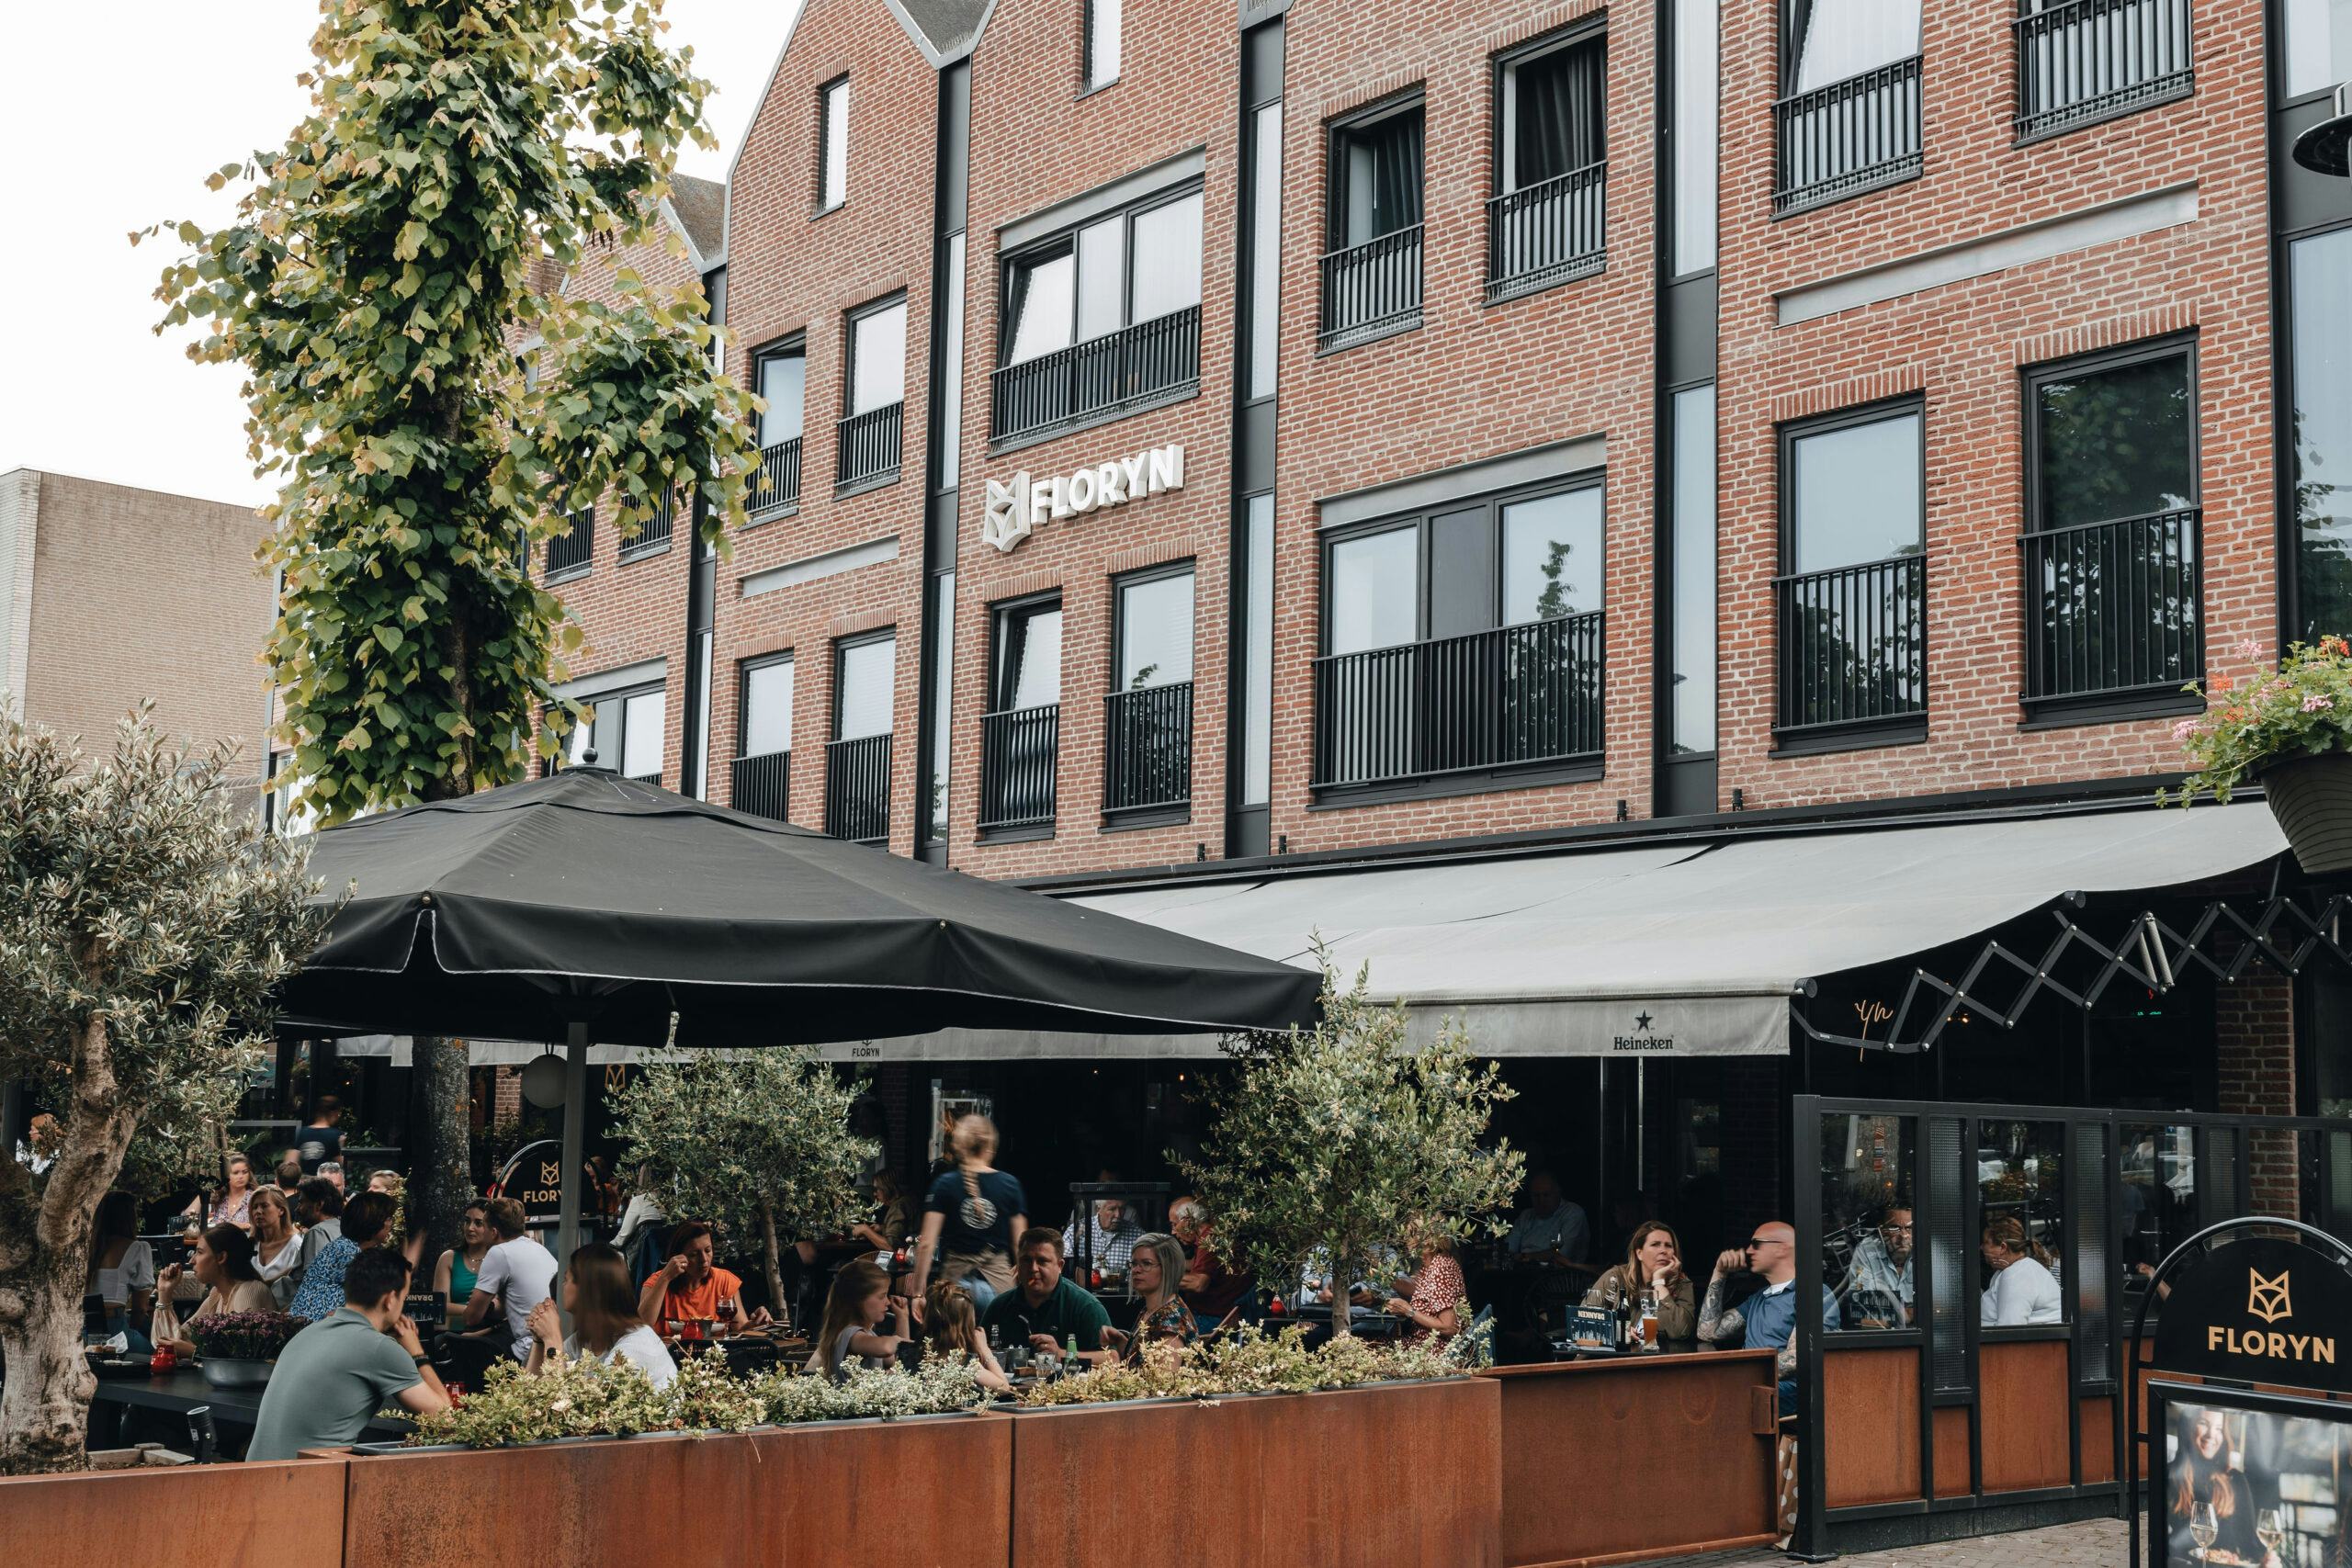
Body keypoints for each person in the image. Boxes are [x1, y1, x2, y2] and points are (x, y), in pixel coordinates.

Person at [247, 1246, 449, 1461]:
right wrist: (417, 1352)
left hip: (256, 1476)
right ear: (390, 1299)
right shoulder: (379, 1347)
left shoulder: (308, 1332)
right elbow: (445, 1419)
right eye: (404, 1297)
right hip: (306, 1483)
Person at [1699, 1221, 1837, 1415]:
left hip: (1789, 1391)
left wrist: (1739, 1374)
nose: (1749, 1250)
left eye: (1756, 1244)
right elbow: (1707, 1332)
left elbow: (1798, 1358)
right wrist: (1719, 1273)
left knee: (1723, 1395)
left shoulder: (1812, 1293)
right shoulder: (1759, 1298)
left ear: (1781, 1248)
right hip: (1752, 1385)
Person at [910, 1114, 1027, 1314]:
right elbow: (1021, 1244)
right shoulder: (1010, 1185)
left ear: (959, 1145)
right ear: (990, 1146)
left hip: (955, 1287)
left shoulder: (944, 1184)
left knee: (953, 1344)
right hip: (998, 1285)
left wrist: (918, 1294)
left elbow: (927, 1244)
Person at [524, 1243, 679, 1390]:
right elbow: (534, 1397)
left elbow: (570, 1410)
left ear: (587, 1290)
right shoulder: (584, 1342)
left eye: (566, 1279)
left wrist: (552, 1340)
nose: (562, 1286)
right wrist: (540, 1340)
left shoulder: (636, 1345)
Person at [980, 1228, 1115, 1364]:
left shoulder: (1085, 1306)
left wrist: (1062, 1354)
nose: (1033, 1268)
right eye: (1026, 1260)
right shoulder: (999, 1307)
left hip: (1066, 1384)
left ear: (1060, 1266)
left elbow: (1113, 1359)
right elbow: (977, 1354)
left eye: (1042, 1261)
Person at [2167, 1406, 2271, 1566]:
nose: (2211, 1435)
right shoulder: (2170, 1476)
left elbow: (2250, 1543)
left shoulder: (2235, 1479)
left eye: (2218, 1428)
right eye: (2203, 1423)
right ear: (2187, 1428)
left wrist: (2267, 1559)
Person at [152, 1224, 276, 1355]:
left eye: (199, 1252)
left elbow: (243, 1355)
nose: (192, 1260)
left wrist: (194, 1352)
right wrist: (165, 1293)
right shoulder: (217, 1295)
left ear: (221, 1257)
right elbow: (170, 1343)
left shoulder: (249, 1289)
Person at [465, 1196, 558, 1360]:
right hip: (555, 1342)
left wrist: (483, 1305)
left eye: (483, 1226)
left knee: (451, 1344)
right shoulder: (538, 1247)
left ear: (494, 1233)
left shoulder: (498, 1253)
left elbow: (471, 1317)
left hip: (528, 1349)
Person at [638, 1220, 772, 1330]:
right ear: (678, 1256)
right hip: (669, 1355)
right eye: (694, 1254)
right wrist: (665, 1278)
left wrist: (756, 1323)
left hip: (714, 1358)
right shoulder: (658, 1281)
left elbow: (741, 1327)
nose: (704, 1260)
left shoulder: (724, 1280)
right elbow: (641, 1326)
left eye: (708, 1250)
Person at [291, 1189, 395, 1323]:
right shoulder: (346, 1252)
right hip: (317, 1330)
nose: (391, 1223)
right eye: (388, 1218)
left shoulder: (347, 1246)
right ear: (374, 1222)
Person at [1582, 1221, 1697, 1340]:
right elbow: (1583, 1321)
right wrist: (1616, 1331)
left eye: (1668, 1245)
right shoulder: (1615, 1278)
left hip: (1658, 1356)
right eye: (1655, 1244)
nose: (1663, 1250)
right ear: (1639, 1253)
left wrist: (1658, 1283)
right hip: (1614, 1355)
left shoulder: (1681, 1284)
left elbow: (1681, 1331)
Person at [1102, 1232, 1196, 1365]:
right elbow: (1139, 1361)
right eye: (1134, 1263)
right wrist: (1120, 1341)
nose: (1136, 1270)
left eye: (1146, 1264)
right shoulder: (1151, 1309)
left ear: (1168, 1268)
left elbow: (1165, 1382)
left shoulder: (1172, 1322)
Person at [814, 1258, 910, 1382]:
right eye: (882, 1296)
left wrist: (902, 1317)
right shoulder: (851, 1335)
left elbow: (897, 1359)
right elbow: (886, 1348)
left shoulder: (868, 1334)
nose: (887, 1302)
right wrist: (897, 1340)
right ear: (858, 1301)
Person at [87, 1192, 156, 1353]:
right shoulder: (137, 1248)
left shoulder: (86, 1249)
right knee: (159, 1355)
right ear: (130, 1218)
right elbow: (140, 1308)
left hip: (81, 1331)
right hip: (114, 1331)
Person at [1171, 1199, 1252, 1332]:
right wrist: (1162, 1264)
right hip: (1216, 1315)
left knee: (1161, 1329)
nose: (1173, 1232)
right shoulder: (1209, 1235)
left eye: (1174, 1225)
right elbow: (1195, 1265)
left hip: (1215, 1319)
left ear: (1188, 1220)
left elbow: (1198, 1284)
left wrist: (1161, 1277)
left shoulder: (1210, 1240)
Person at [1385, 1217, 1466, 1348]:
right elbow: (1415, 1289)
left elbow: (1449, 1327)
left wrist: (1409, 1311)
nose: (1405, 1239)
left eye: (1409, 1234)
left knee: (1368, 1345)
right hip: (1420, 1343)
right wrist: (1381, 1291)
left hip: (1433, 1349)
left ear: (1426, 1239)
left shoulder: (1441, 1268)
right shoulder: (1430, 1264)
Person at [921, 1280, 1012, 1393]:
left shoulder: (914, 1354)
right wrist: (985, 1349)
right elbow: (1004, 1387)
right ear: (966, 1327)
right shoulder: (963, 1364)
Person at [1839, 1208, 1916, 1329]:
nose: (1904, 1235)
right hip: (1880, 1335)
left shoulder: (1927, 1250)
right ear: (1882, 1231)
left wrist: (1886, 1313)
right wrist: (1908, 1314)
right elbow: (1862, 1309)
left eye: (1909, 1228)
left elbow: (1941, 1307)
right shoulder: (1868, 1250)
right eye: (1894, 1228)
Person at [1980, 1214, 2063, 1325]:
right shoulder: (2014, 1270)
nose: (1981, 1247)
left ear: (2003, 1248)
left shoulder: (2016, 1276)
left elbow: (2009, 1329)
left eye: (1985, 1242)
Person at [1505, 1171, 1592, 1264]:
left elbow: (1562, 1256)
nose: (1541, 1200)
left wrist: (1524, 1256)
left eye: (1546, 1195)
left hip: (1561, 1275)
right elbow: (1508, 1249)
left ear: (1558, 1192)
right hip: (1523, 1271)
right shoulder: (1526, 1216)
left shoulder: (1572, 1213)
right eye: (1536, 1196)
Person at [1061, 1188, 1143, 1286]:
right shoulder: (1076, 1231)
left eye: (1122, 1209)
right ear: (1098, 1209)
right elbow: (1063, 1268)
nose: (1118, 1215)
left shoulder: (1138, 1236)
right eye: (1112, 1209)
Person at [248, 1185, 308, 1309]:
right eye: (254, 1207)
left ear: (281, 1210)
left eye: (264, 1206)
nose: (258, 1211)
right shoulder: (251, 1244)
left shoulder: (296, 1245)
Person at [435, 1200, 493, 1320]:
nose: (470, 1228)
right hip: (453, 1332)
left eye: (478, 1223)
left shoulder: (499, 1260)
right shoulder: (448, 1258)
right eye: (467, 1221)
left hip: (490, 1331)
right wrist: (476, 1310)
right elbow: (439, 1306)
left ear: (492, 1228)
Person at [852, 1170, 914, 1253]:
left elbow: (891, 1246)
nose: (874, 1194)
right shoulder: (906, 1201)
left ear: (888, 1188)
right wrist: (882, 1228)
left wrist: (865, 1229)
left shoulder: (898, 1206)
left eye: (877, 1189)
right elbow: (903, 1232)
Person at [293, 1177, 345, 1270]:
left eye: (301, 1203)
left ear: (319, 1205)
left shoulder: (317, 1232)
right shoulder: (340, 1228)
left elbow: (315, 1278)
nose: (297, 1209)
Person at [203, 1154, 258, 1230]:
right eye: (235, 1173)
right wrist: (203, 1188)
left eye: (245, 1172)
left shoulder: (255, 1198)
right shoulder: (218, 1197)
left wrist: (245, 1226)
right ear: (226, 1175)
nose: (241, 1176)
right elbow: (189, 1214)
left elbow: (264, 1226)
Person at [297, 1096, 345, 1175]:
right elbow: (341, 1165)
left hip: (304, 1182)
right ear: (333, 1113)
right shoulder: (336, 1135)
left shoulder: (303, 1133)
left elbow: (291, 1161)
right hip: (325, 1183)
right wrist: (342, 1148)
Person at [15, 1112, 59, 1177]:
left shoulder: (57, 1155)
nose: (30, 1132)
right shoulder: (35, 1150)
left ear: (43, 1134)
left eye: (32, 1130)